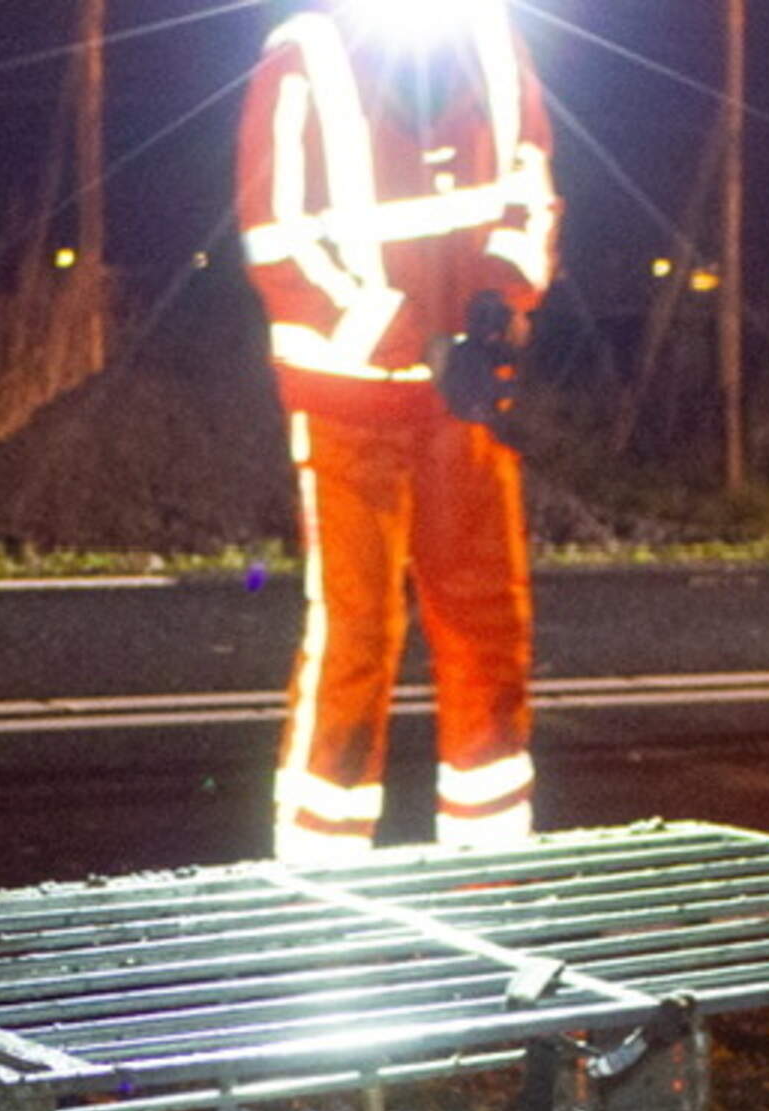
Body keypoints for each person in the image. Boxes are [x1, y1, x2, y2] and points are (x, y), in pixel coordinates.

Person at [235, 0, 558, 861]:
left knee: (488, 625)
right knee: (358, 634)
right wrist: (418, 342)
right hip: (350, 404)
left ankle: (492, 865)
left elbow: (530, 187)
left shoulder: (494, 38)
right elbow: (279, 242)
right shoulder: (303, 57)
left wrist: (501, 299)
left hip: (465, 399)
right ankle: (322, 876)